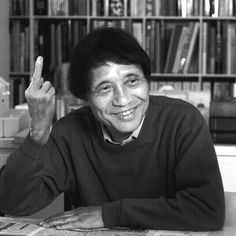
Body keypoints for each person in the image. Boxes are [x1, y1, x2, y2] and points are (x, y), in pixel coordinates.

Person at [0, 27, 225, 231]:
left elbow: (208, 209)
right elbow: (13, 203)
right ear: (86, 97)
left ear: (148, 81)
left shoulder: (182, 120)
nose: (123, 99)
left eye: (132, 81)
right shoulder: (69, 132)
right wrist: (37, 135)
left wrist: (109, 214)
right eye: (105, 88)